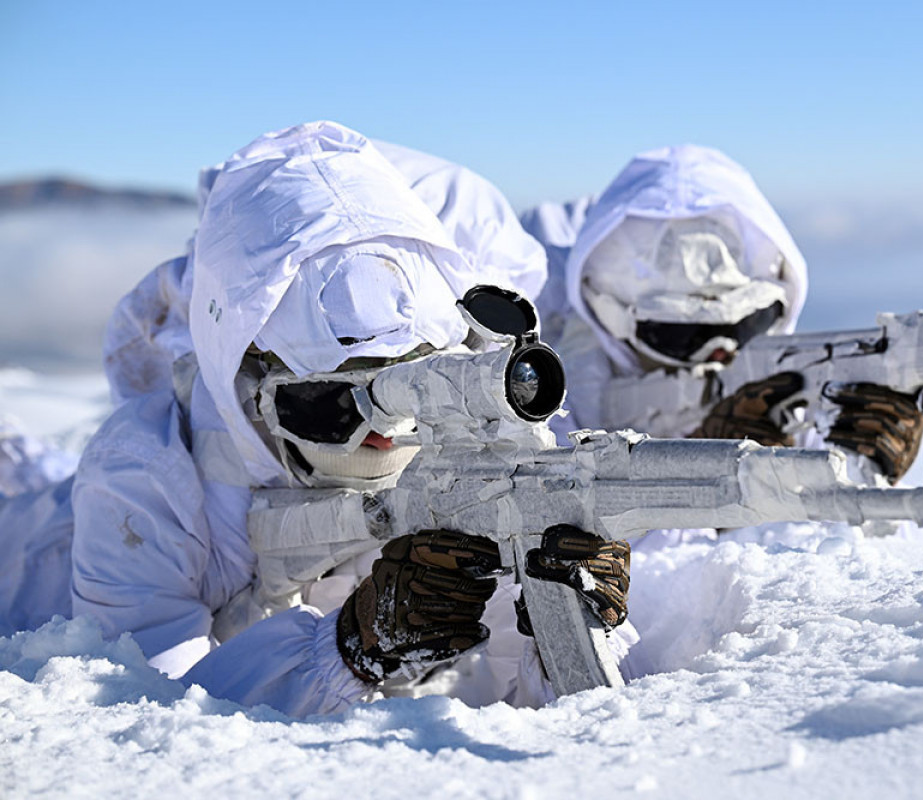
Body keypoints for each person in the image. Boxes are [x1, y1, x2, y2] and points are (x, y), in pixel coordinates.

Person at [0, 121, 633, 715]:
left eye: (409, 392)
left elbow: (522, 706)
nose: (385, 432)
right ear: (246, 377)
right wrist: (351, 647)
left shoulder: (462, 455)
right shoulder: (146, 475)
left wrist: (558, 623)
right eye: (334, 405)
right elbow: (145, 714)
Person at [521, 144, 923, 483]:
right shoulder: (546, 402)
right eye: (684, 336)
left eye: (747, 326)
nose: (723, 353)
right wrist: (714, 476)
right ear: (614, 325)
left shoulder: (786, 388)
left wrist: (857, 469)